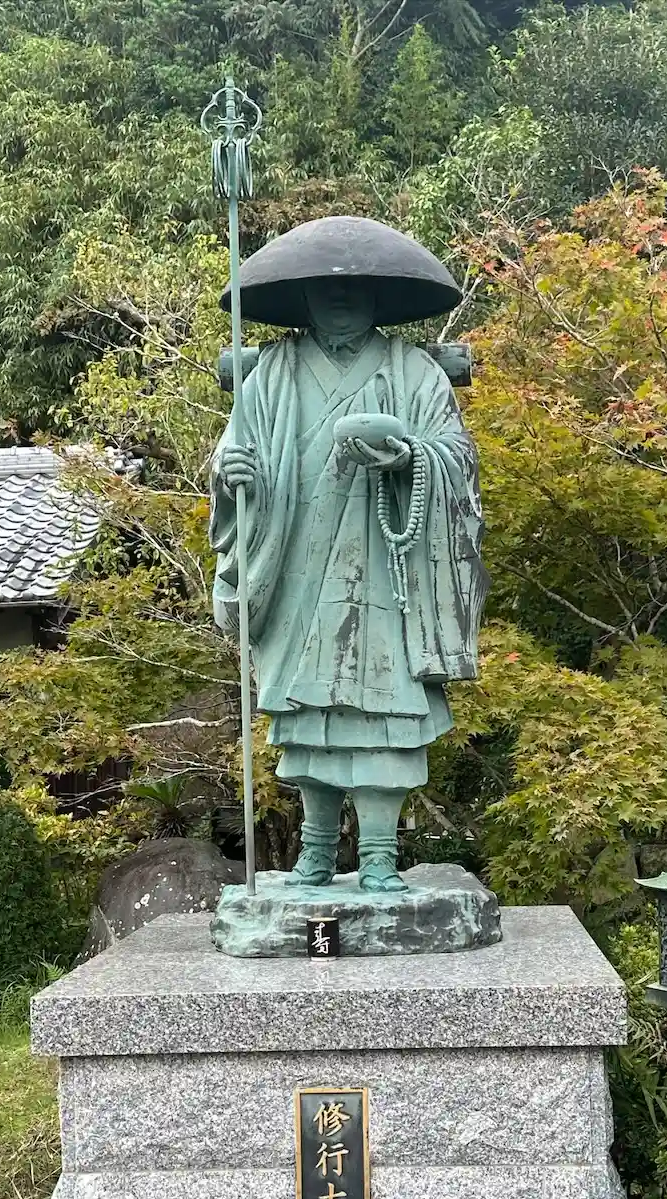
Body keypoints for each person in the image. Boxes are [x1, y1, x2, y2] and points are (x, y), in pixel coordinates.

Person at [210, 222, 487, 893]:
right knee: (310, 718)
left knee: (386, 720)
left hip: (386, 574)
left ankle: (380, 857)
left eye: (357, 290)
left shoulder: (414, 371)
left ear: (379, 299)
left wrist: (410, 458)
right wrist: (231, 474)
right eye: (325, 291)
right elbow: (234, 455)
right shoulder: (271, 373)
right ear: (301, 299)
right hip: (296, 566)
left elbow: (456, 458)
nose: (341, 300)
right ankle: (314, 852)